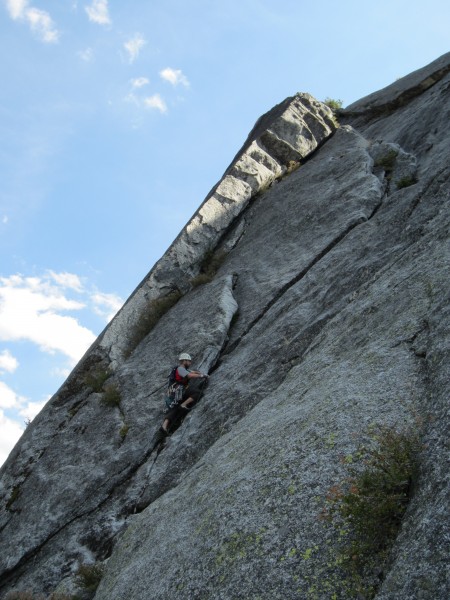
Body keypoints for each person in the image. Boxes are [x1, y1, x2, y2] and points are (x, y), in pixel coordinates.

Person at [160, 353, 208, 435]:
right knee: (198, 393)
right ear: (184, 361)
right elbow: (189, 375)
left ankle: (164, 426)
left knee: (174, 408)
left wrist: (199, 373)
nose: (190, 363)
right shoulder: (181, 368)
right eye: (189, 361)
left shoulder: (181, 369)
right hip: (179, 390)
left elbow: (192, 372)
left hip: (174, 393)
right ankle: (184, 405)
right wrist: (202, 375)